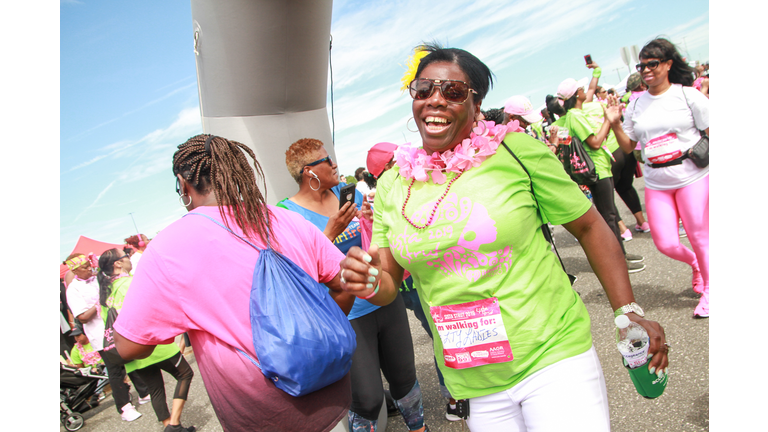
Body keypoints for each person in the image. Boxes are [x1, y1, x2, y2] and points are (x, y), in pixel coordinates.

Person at [339, 43, 669, 431]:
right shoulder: (394, 182)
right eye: (424, 89)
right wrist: (369, 280)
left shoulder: (515, 151)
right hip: (475, 378)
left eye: (454, 92)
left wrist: (627, 311)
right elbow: (390, 281)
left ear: (476, 105)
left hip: (551, 354)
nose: (436, 100)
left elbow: (589, 226)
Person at [113, 134, 356, 432]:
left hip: (260, 414)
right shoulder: (285, 219)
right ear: (238, 171)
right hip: (330, 393)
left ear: (183, 184)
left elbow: (129, 346)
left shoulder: (167, 248)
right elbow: (343, 285)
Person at [279, 138, 427, 432]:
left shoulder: (347, 195)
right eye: (327, 161)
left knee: (404, 380)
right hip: (346, 313)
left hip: (383, 296)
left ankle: (421, 428)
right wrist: (328, 234)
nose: (335, 164)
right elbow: (297, 272)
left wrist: (371, 221)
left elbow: (372, 240)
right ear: (309, 172)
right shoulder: (287, 215)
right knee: (368, 398)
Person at [606, 38, 709, 318]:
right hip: (656, 182)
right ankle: (698, 265)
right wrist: (615, 123)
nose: (646, 70)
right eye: (642, 65)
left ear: (667, 64)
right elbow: (629, 146)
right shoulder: (637, 105)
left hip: (692, 176)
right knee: (666, 243)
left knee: (700, 236)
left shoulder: (687, 95)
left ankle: (712, 290)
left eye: (653, 64)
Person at [98, 249, 196, 432]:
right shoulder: (129, 283)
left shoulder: (105, 294)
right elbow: (151, 308)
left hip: (130, 351)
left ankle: (170, 427)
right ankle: (174, 423)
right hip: (152, 345)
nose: (128, 259)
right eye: (125, 256)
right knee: (185, 374)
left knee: (156, 389)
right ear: (117, 264)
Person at [557, 74, 646, 272]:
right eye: (581, 88)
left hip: (599, 168)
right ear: (577, 94)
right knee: (609, 216)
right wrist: (608, 120)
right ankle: (618, 261)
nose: (584, 90)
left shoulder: (573, 115)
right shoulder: (575, 115)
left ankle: (620, 256)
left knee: (610, 215)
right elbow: (595, 142)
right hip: (596, 169)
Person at [64, 253, 150, 422]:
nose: (89, 268)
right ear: (74, 270)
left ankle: (144, 392)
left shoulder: (97, 278)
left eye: (89, 265)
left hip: (116, 327)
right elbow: (82, 317)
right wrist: (99, 303)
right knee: (115, 369)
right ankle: (125, 407)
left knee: (130, 359)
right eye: (84, 267)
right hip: (99, 334)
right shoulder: (73, 289)